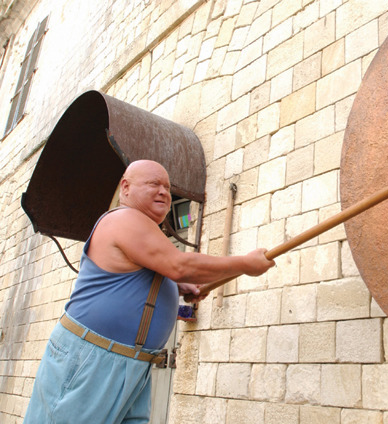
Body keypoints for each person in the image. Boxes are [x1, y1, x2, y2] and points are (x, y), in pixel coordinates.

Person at [24, 160, 275, 423]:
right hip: (92, 357)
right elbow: (179, 265)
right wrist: (245, 264)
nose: (164, 192)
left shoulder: (147, 232)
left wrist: (178, 286)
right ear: (126, 187)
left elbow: (150, 274)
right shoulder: (124, 219)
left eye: (167, 187)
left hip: (132, 364)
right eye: (154, 184)